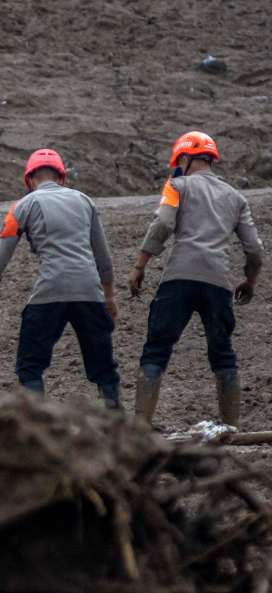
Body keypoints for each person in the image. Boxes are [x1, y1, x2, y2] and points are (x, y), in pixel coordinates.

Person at [0, 149, 120, 407]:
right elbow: (103, 257)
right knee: (104, 367)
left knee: (30, 366)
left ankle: (37, 421)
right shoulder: (85, 201)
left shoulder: (22, 206)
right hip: (90, 293)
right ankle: (115, 416)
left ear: (30, 180)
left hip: (49, 292)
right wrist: (109, 297)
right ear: (61, 178)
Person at [128, 131, 263, 428]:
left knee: (156, 350)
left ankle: (140, 429)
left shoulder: (176, 185)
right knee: (223, 354)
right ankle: (230, 428)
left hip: (178, 278)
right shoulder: (236, 198)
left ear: (186, 159)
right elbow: (254, 248)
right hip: (218, 282)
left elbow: (163, 223)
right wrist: (250, 281)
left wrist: (140, 265)